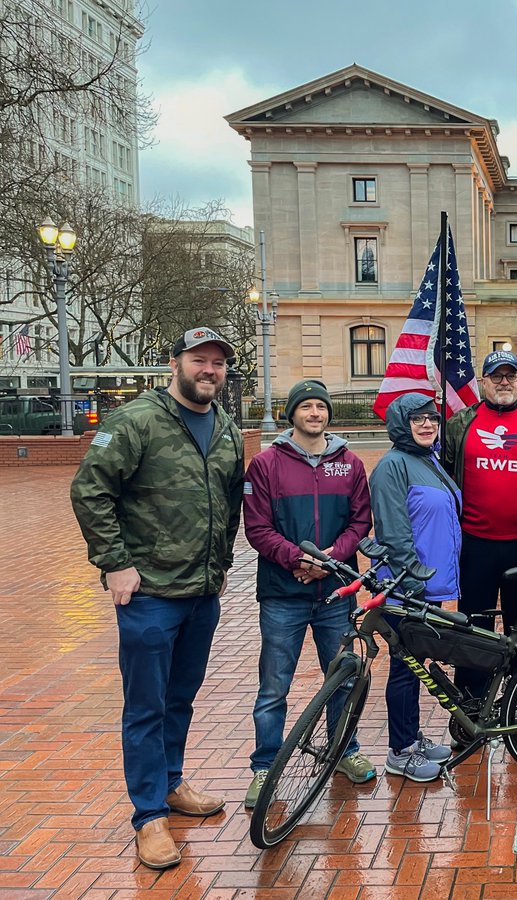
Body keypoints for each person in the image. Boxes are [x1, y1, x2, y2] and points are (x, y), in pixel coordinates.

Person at [70, 327, 244, 870]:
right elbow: (90, 490)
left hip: (201, 592)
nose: (208, 370)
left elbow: (230, 501)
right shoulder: (137, 420)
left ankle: (171, 784)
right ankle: (148, 817)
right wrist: (115, 563)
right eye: (199, 360)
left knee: (180, 698)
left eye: (217, 362)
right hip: (149, 594)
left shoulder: (227, 428)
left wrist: (222, 566)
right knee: (145, 706)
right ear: (175, 363)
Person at [241, 379, 375, 808]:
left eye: (321, 406)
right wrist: (298, 559)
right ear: (292, 414)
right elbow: (257, 529)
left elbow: (360, 522)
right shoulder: (265, 465)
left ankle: (343, 753)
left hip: (336, 593)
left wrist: (331, 558)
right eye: (307, 407)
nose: (315, 413)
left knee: (342, 678)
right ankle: (265, 768)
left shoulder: (350, 464)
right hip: (283, 594)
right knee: (273, 686)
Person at [441, 350, 517, 707]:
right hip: (475, 546)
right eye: (496, 376)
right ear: (483, 381)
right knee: (473, 630)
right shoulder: (460, 424)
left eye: (511, 376)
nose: (504, 382)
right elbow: (444, 477)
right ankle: (472, 702)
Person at [370, 394, 461, 782]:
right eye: (417, 419)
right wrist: (413, 581)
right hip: (407, 588)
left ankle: (412, 736)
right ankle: (400, 750)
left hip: (431, 585)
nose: (427, 425)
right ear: (400, 423)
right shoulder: (392, 466)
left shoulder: (429, 460)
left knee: (417, 666)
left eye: (432, 418)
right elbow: (394, 532)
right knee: (405, 669)